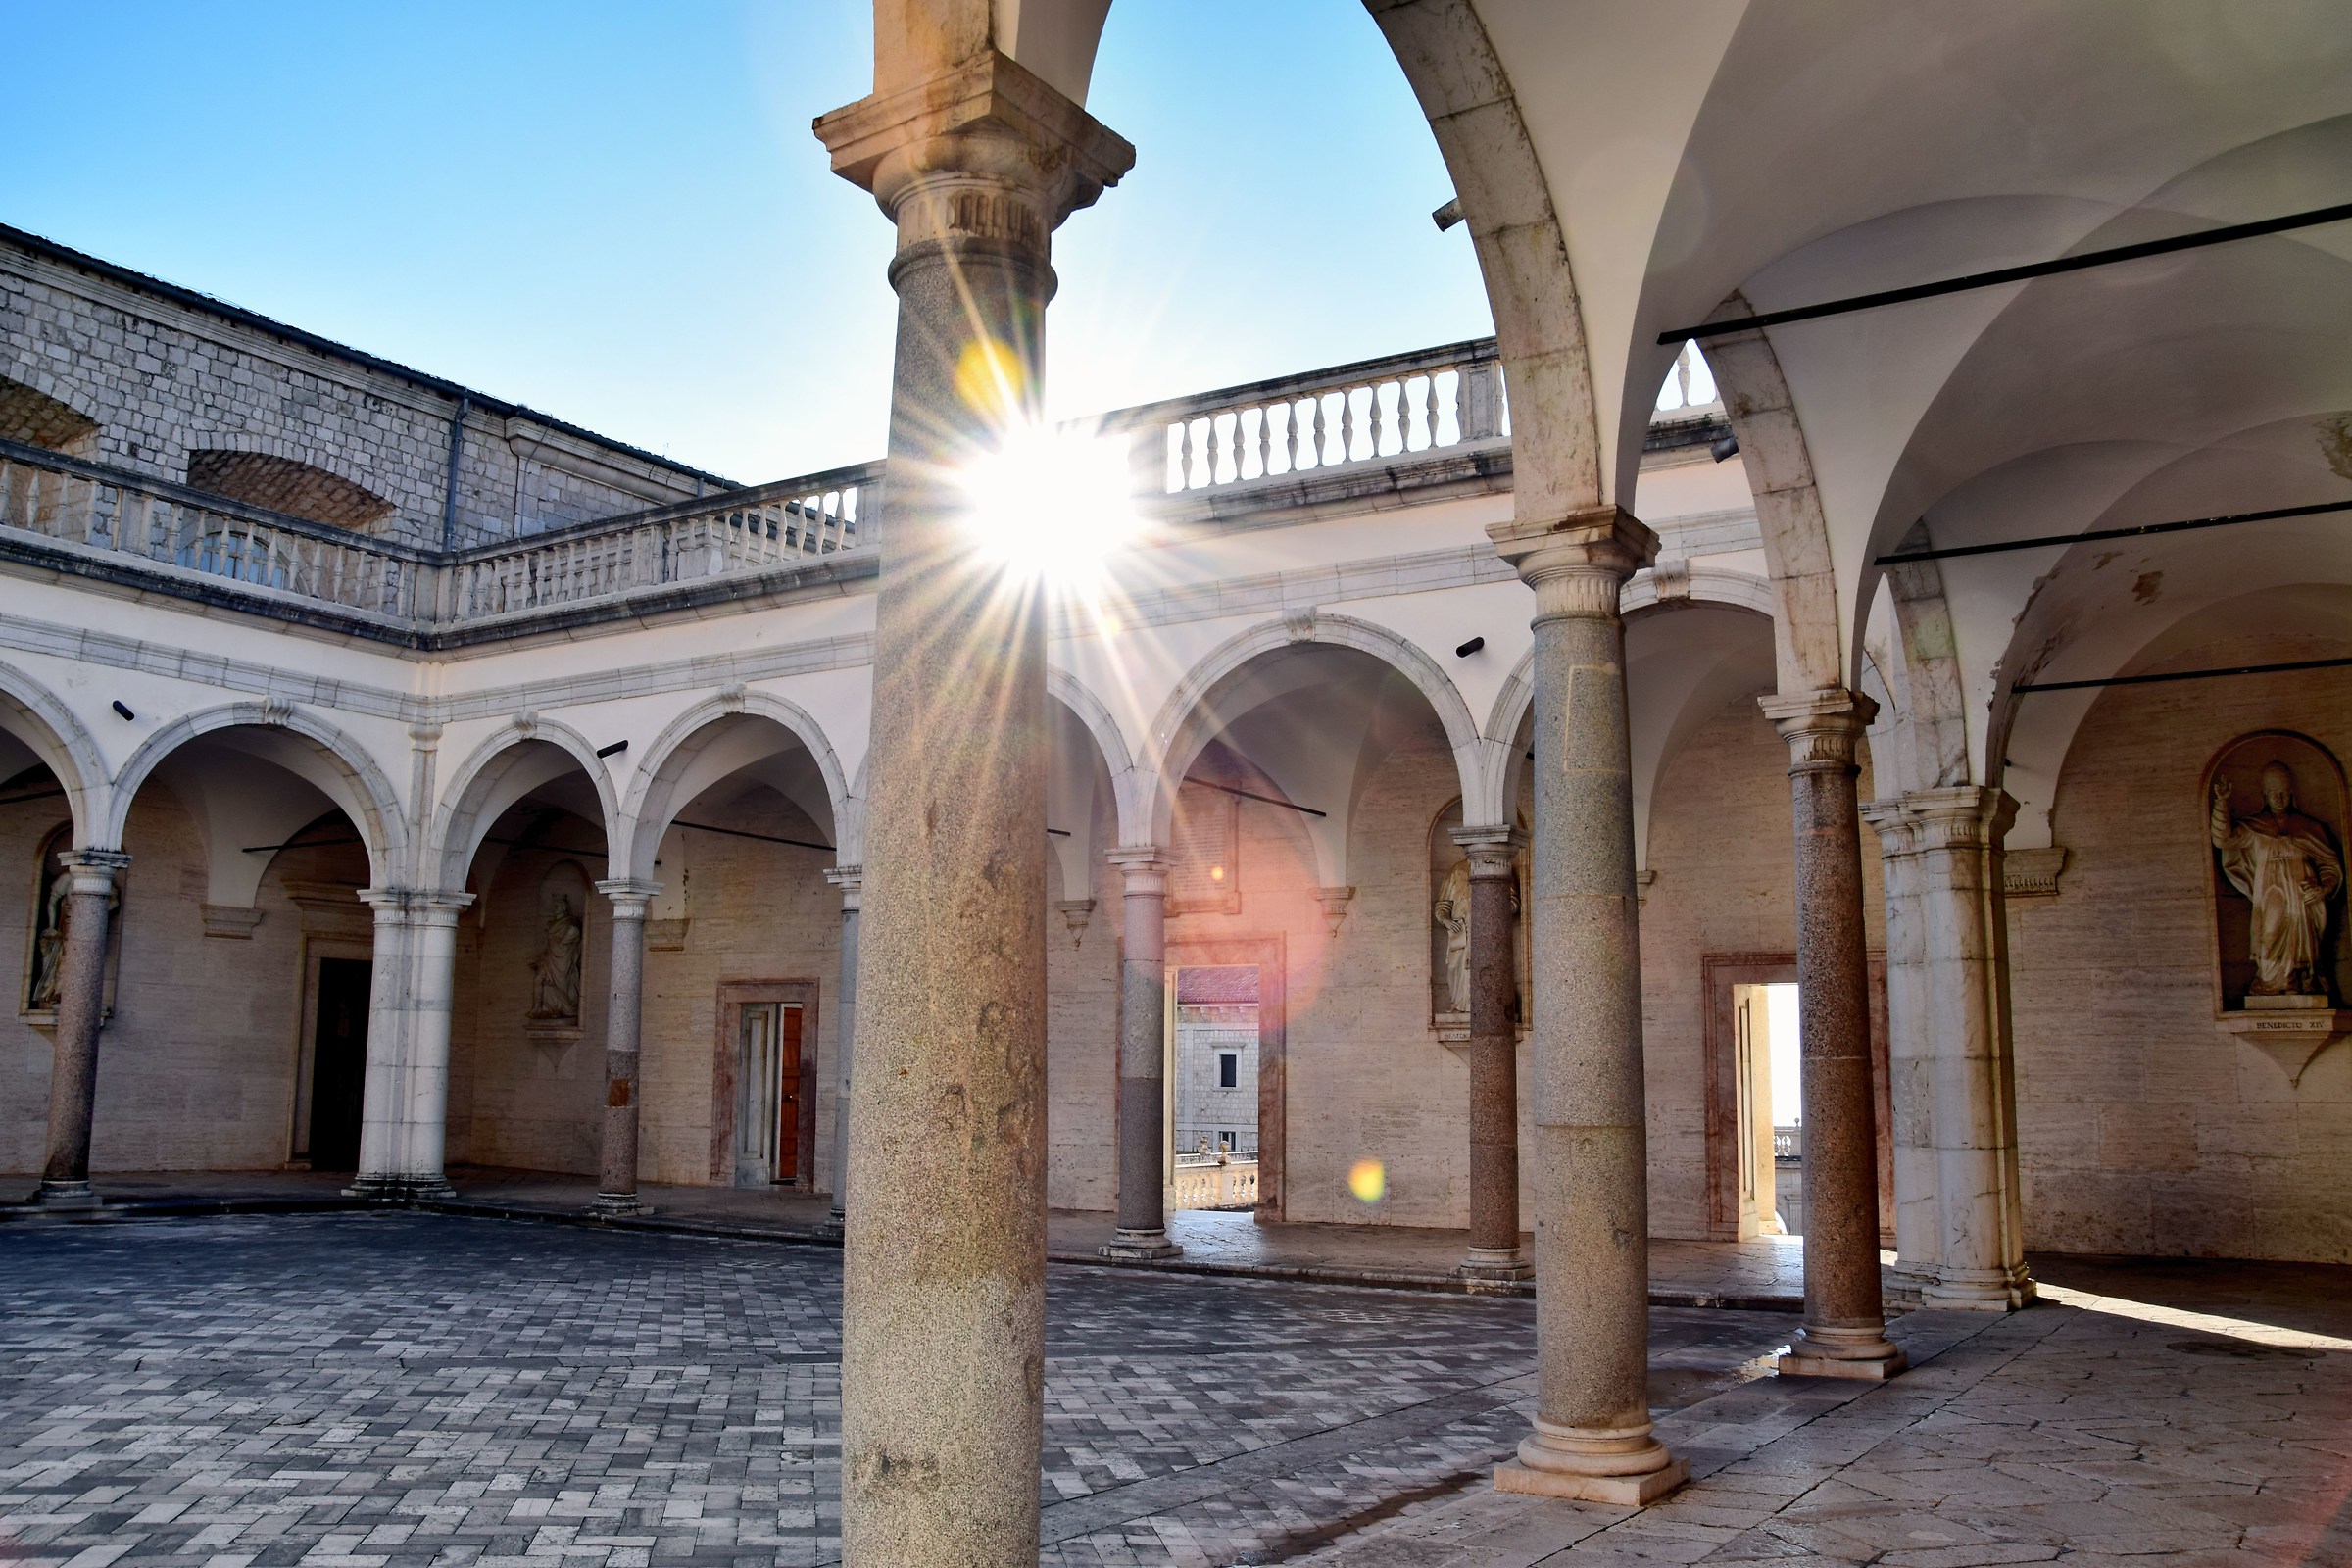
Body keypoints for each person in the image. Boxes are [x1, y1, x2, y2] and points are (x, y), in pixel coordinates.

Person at [2211, 761, 2344, 998]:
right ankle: (2272, 982)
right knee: (2269, 934)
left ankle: (2300, 981)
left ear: (2291, 794)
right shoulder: (2254, 828)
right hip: (2271, 892)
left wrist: (2323, 887)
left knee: (2303, 937)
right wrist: (2221, 803)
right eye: (2274, 793)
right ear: (2265, 795)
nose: (2279, 798)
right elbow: (2223, 839)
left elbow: (2329, 863)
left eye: (2283, 793)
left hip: (2302, 894)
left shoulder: (2307, 827)